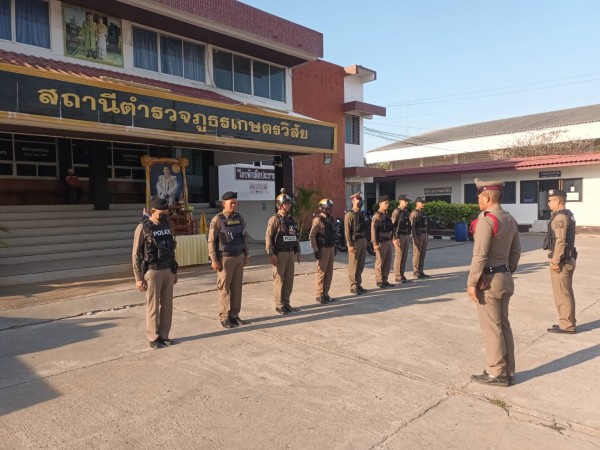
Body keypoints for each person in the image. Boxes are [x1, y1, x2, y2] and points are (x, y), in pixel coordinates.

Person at [467, 178, 521, 387]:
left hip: (489, 281)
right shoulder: (510, 218)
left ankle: (496, 372)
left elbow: (480, 255)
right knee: (504, 325)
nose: (478, 200)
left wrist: (472, 282)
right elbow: (516, 252)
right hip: (505, 277)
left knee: (492, 327)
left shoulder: (486, 220)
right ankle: (508, 370)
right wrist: (507, 270)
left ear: (487, 197)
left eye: (479, 196)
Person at [132, 196, 178, 349]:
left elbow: (172, 250)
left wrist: (174, 271)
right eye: (161, 213)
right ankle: (153, 337)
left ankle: (164, 335)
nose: (165, 216)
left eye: (166, 213)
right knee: (153, 306)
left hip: (167, 269)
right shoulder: (143, 228)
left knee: (167, 305)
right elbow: (135, 255)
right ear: (153, 211)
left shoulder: (167, 226)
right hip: (152, 271)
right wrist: (138, 278)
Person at [208, 191, 250, 328]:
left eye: (235, 203)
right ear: (223, 203)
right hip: (225, 259)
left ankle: (234, 315)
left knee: (237, 288)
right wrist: (214, 259)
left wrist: (246, 254)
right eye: (231, 203)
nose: (234, 205)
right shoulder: (217, 219)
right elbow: (211, 241)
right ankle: (224, 317)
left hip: (238, 256)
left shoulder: (240, 218)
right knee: (224, 288)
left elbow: (244, 237)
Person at [543, 189, 577, 334]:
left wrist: (555, 261)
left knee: (562, 293)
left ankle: (567, 325)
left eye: (550, 200)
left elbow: (560, 241)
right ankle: (567, 321)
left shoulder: (560, 218)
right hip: (568, 259)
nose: (548, 203)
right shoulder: (567, 215)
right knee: (565, 292)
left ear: (558, 201)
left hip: (562, 262)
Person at [265, 189, 301, 314]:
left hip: (290, 252)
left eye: (289, 203)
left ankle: (286, 302)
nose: (288, 206)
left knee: (289, 280)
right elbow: (268, 236)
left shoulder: (292, 219)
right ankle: (279, 304)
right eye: (286, 204)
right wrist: (271, 253)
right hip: (279, 253)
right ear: (279, 205)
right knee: (279, 279)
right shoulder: (274, 219)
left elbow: (295, 236)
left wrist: (298, 251)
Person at [309, 198, 339, 304]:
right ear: (322, 208)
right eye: (328, 208)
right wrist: (316, 250)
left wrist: (335, 247)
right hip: (323, 249)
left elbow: (333, 234)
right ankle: (319, 295)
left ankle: (325, 293)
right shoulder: (318, 220)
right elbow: (312, 236)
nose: (330, 210)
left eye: (331, 208)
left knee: (329, 273)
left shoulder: (331, 219)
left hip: (331, 247)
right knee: (321, 273)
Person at [344, 192, 368, 295]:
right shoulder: (349, 215)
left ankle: (358, 284)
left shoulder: (362, 214)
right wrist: (349, 245)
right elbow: (347, 231)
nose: (360, 202)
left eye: (361, 200)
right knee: (353, 264)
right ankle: (353, 286)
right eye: (358, 200)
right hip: (355, 242)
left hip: (363, 240)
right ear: (353, 201)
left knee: (361, 264)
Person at [371, 195, 395, 289]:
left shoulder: (387, 215)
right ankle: (379, 280)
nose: (387, 204)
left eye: (388, 203)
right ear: (380, 204)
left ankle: (385, 279)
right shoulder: (376, 216)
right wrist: (375, 244)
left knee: (387, 262)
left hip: (388, 241)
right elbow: (373, 231)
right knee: (380, 262)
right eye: (386, 203)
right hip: (381, 242)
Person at [392, 195, 412, 283]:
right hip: (399, 236)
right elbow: (393, 225)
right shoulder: (396, 211)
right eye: (405, 201)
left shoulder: (406, 212)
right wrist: (395, 238)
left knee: (404, 256)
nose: (407, 202)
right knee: (399, 256)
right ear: (400, 201)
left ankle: (402, 274)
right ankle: (397, 275)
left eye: (407, 201)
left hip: (406, 235)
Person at [410, 197, 430, 279]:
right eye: (422, 202)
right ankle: (416, 271)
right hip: (418, 235)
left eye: (424, 202)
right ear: (417, 203)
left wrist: (427, 235)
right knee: (417, 254)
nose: (423, 204)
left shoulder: (423, 213)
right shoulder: (414, 213)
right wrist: (415, 238)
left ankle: (421, 271)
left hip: (424, 235)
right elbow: (412, 227)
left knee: (422, 254)